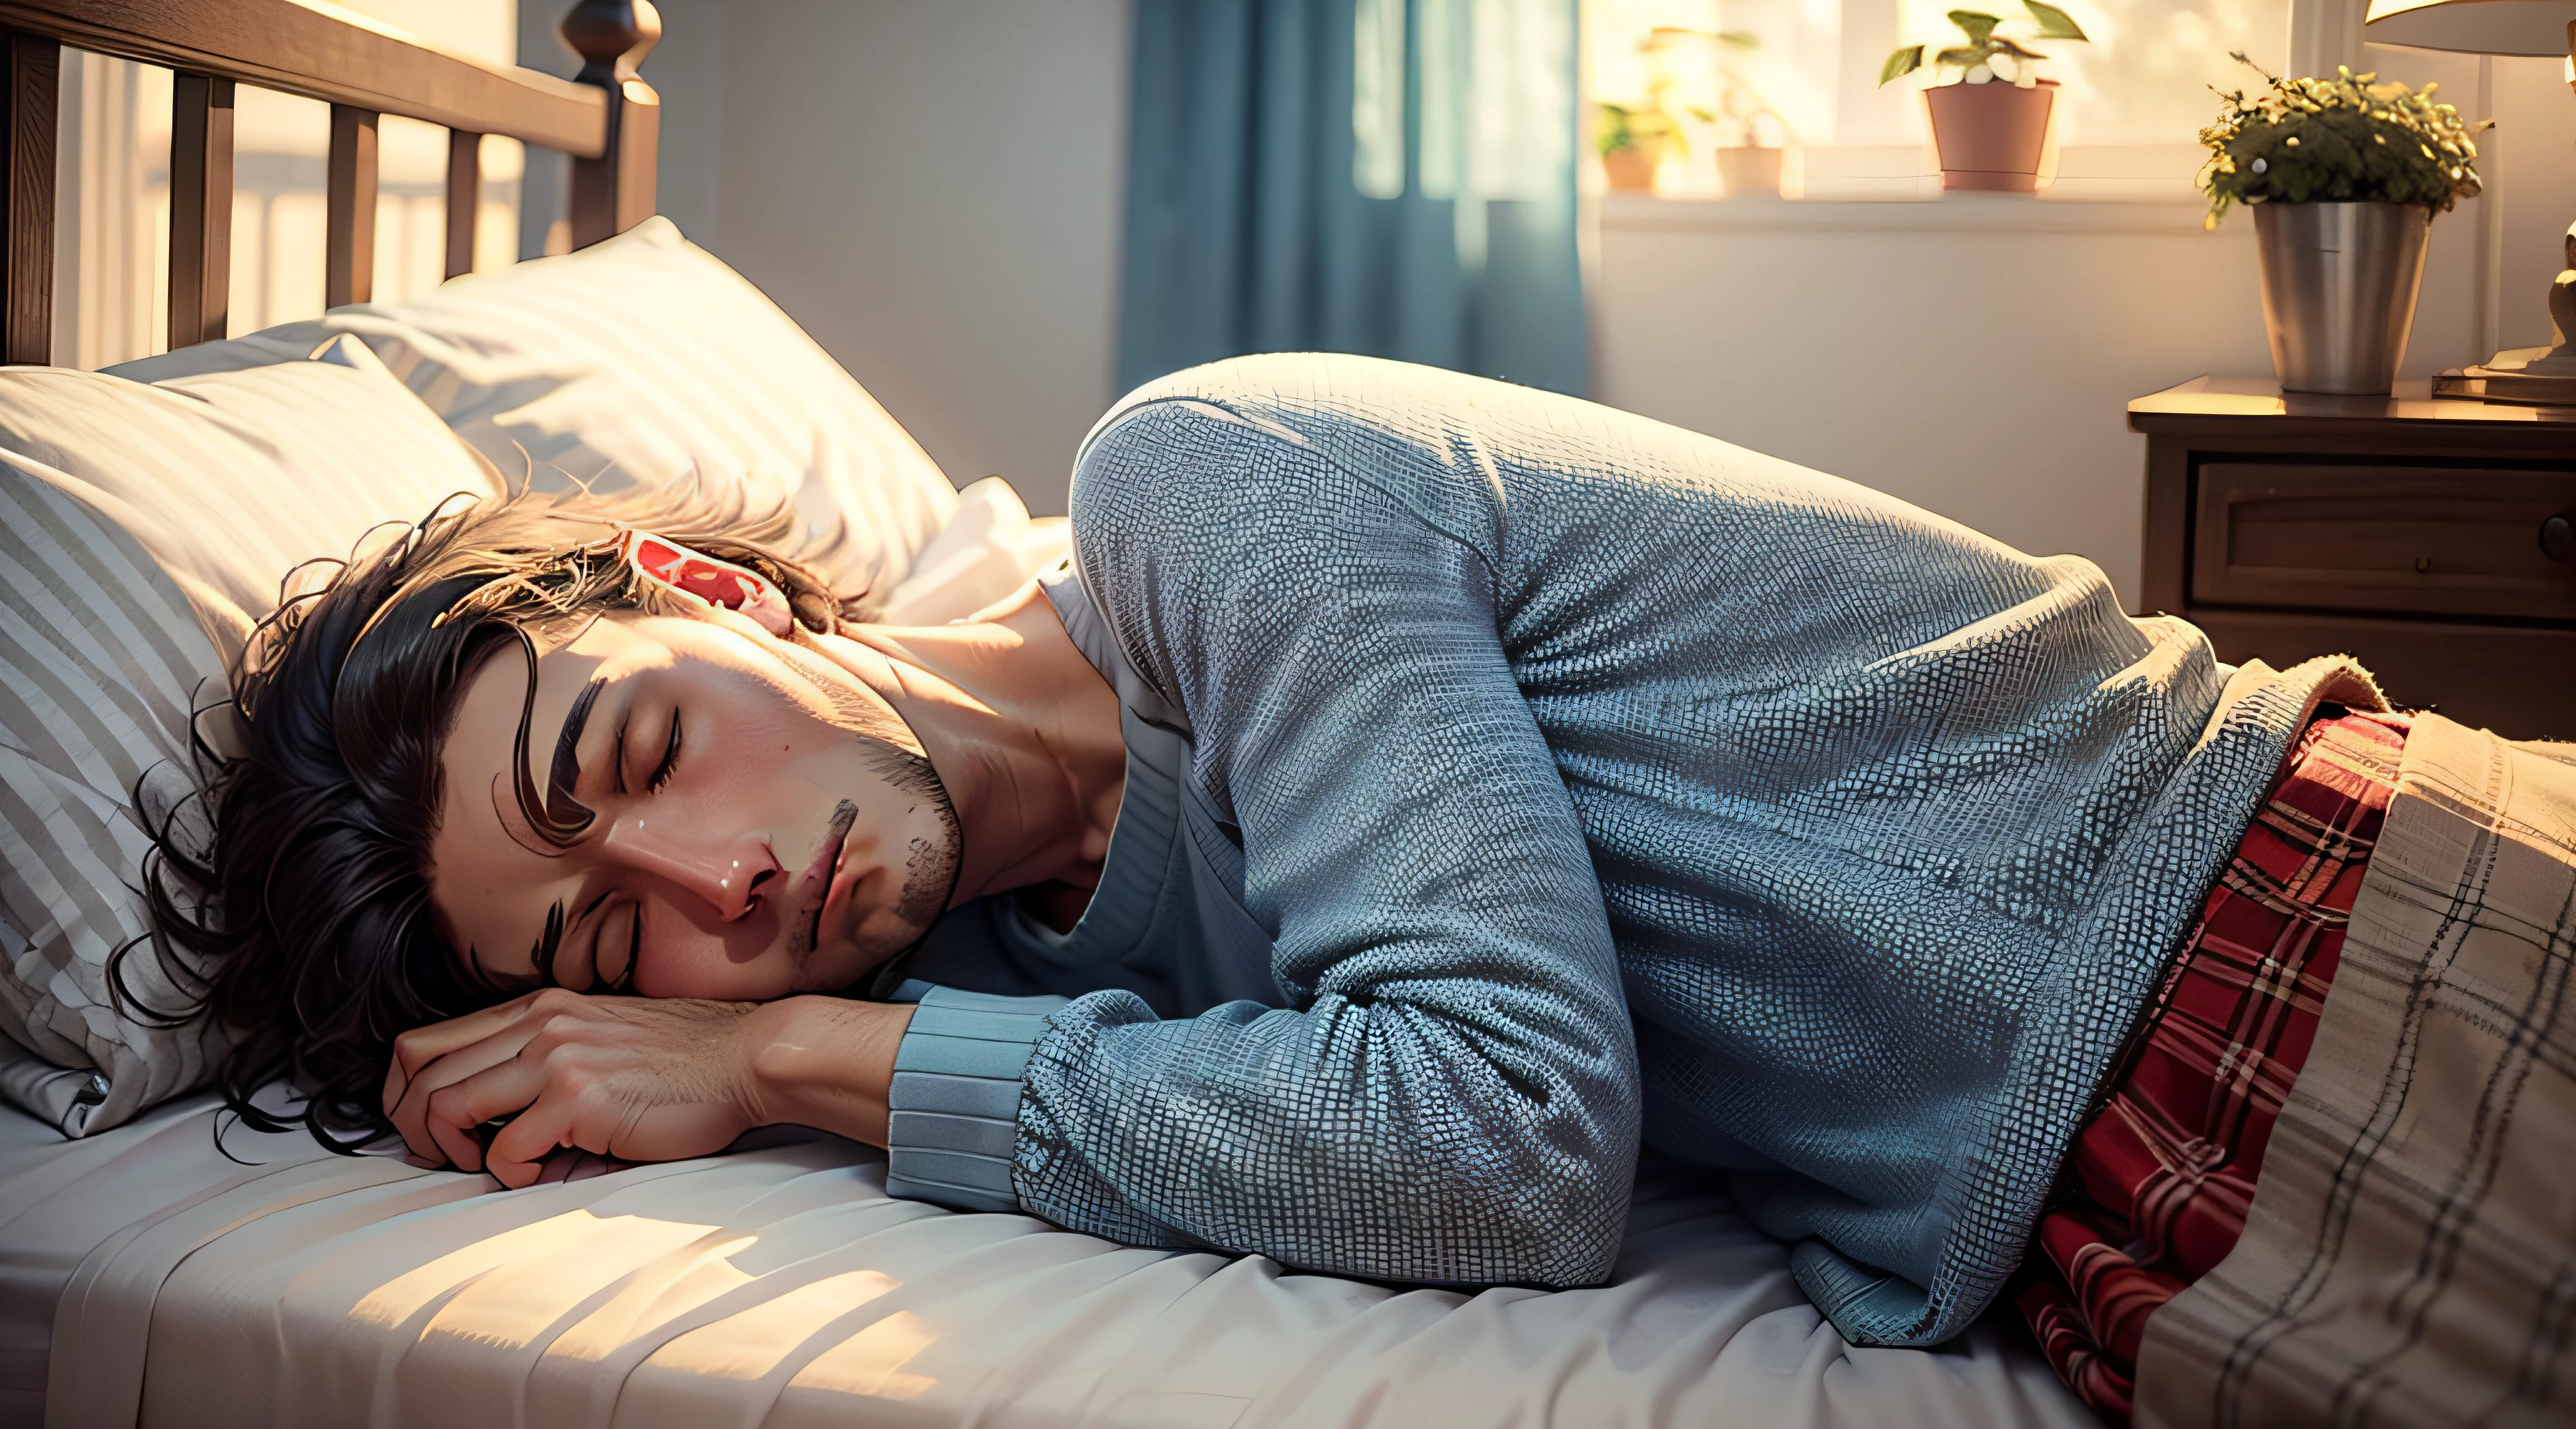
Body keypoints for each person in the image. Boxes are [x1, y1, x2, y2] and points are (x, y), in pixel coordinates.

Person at [135, 354, 2562, 1424]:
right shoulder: (993, 952)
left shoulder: (1211, 488)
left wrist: (769, 1055)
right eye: (609, 945)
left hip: (2330, 958)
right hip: (2144, 1214)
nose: (719, 883)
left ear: (709, 585)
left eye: (633, 756)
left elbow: (1505, 1139)